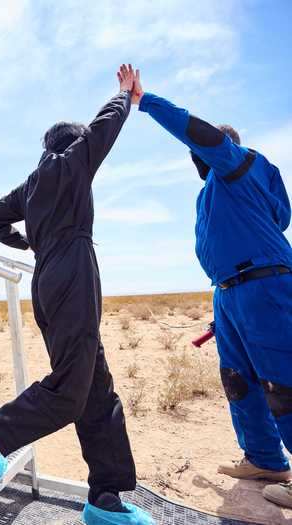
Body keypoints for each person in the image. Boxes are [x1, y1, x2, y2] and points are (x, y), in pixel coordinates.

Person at [0, 65, 153, 525]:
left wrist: (31, 243)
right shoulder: (72, 163)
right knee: (73, 390)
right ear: (70, 144)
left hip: (50, 278)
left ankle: (105, 500)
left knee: (98, 392)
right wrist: (123, 95)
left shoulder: (31, 186)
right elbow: (104, 127)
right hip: (72, 276)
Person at [134, 74, 292, 509]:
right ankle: (265, 459)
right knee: (239, 381)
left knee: (285, 382)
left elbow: (197, 130)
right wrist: (225, 306)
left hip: (265, 288)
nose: (196, 158)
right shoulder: (210, 194)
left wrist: (146, 101)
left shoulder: (237, 165)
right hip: (230, 295)